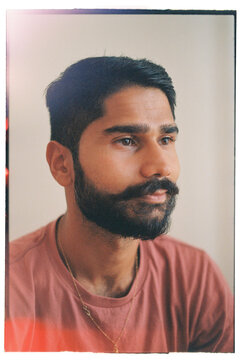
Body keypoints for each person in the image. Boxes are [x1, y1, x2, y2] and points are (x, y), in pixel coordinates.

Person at [5, 56, 234, 353]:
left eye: (166, 139)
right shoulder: (11, 285)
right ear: (62, 164)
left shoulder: (194, 277)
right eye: (127, 140)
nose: (160, 166)